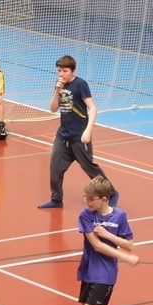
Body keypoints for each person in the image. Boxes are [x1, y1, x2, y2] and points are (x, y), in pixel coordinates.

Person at [53, 176, 138, 305]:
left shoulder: (120, 216)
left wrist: (108, 235)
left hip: (105, 275)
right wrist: (124, 257)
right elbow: (97, 246)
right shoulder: (86, 216)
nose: (87, 202)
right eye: (86, 198)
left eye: (91, 199)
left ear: (104, 199)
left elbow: (129, 244)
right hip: (88, 271)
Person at [38, 55, 119, 209]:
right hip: (63, 136)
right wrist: (57, 91)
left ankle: (112, 193)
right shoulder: (59, 85)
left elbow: (93, 108)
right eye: (59, 71)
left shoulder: (80, 84)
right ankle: (56, 199)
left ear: (73, 71)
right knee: (55, 169)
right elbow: (53, 108)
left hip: (79, 137)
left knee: (90, 168)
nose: (61, 74)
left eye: (65, 71)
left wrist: (88, 130)